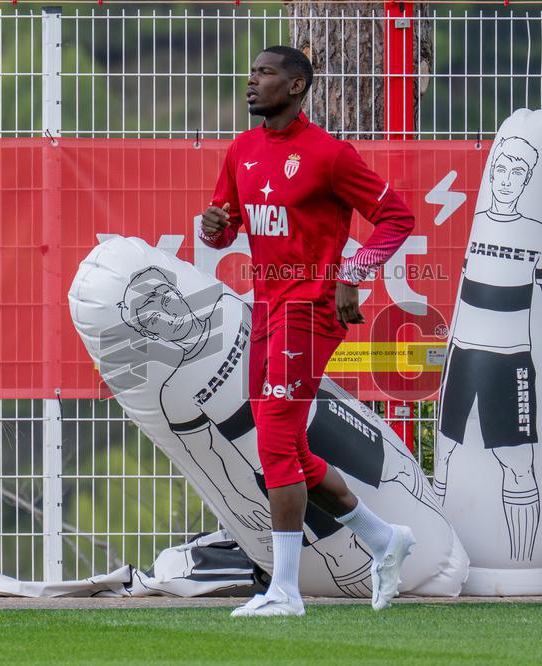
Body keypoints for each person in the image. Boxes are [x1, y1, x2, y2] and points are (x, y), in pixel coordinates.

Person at [198, 45, 417, 616]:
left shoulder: (329, 155)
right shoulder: (241, 151)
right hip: (266, 308)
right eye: (251, 72)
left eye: (265, 73)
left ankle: (285, 591)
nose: (252, 81)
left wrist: (353, 272)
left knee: (273, 438)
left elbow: (397, 217)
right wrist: (212, 226)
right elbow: (222, 232)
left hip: (310, 311)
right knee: (289, 446)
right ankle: (384, 540)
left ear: (296, 87)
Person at [434, 136, 542, 562]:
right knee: (447, 455)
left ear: (527, 180)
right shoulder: (479, 226)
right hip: (464, 357)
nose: (507, 179)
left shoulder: (541, 236)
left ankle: (524, 565)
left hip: (511, 362)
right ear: (491, 172)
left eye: (517, 172)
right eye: (502, 169)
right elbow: (463, 294)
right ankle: (442, 555)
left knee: (518, 464)